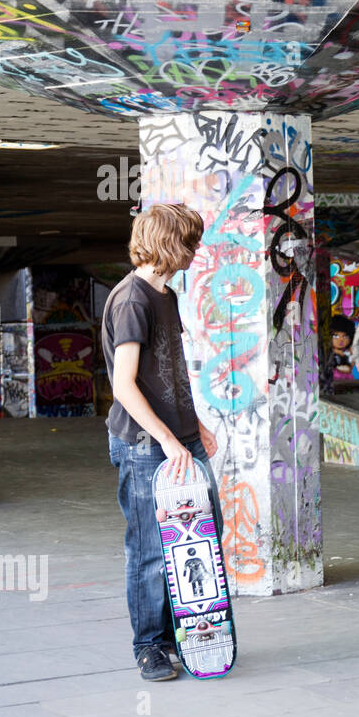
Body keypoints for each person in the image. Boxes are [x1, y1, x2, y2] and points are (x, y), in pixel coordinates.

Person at [102, 203, 221, 682]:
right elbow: (125, 385)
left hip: (178, 438)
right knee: (152, 548)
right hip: (144, 445)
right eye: (190, 241)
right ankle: (149, 645)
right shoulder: (132, 299)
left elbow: (167, 374)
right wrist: (171, 441)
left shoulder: (164, 294)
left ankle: (182, 633)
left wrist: (196, 427)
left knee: (196, 542)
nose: (196, 250)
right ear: (169, 243)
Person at [322, 314, 355, 391]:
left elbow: (350, 368)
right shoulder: (327, 353)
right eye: (336, 336)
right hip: (331, 382)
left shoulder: (348, 352)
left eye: (345, 336)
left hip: (347, 381)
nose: (341, 340)